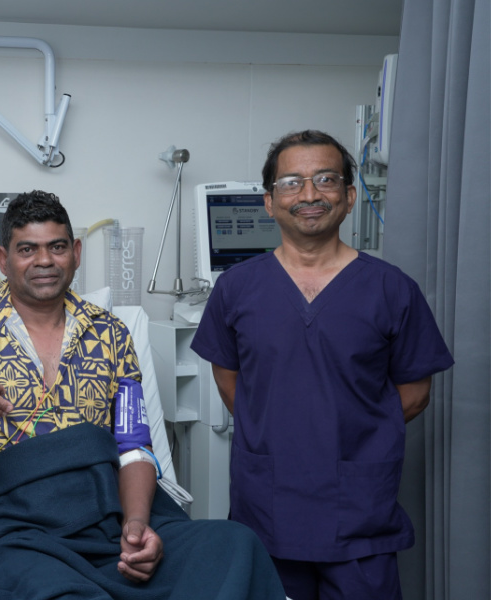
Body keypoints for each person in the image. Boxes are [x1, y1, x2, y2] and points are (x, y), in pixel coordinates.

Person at [0, 191, 287, 600]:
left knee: (234, 546)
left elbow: (132, 445)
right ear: (3, 258)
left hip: (103, 513)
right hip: (7, 527)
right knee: (51, 588)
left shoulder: (111, 333)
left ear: (76, 253)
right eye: (27, 249)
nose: (44, 260)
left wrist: (136, 525)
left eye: (57, 246)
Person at [191, 130, 454, 600]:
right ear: (269, 202)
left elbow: (414, 395)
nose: (309, 194)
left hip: (359, 513)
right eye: (292, 182)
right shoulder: (236, 289)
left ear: (349, 197)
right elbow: (232, 386)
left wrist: (350, 431)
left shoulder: (393, 290)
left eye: (326, 179)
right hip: (267, 507)